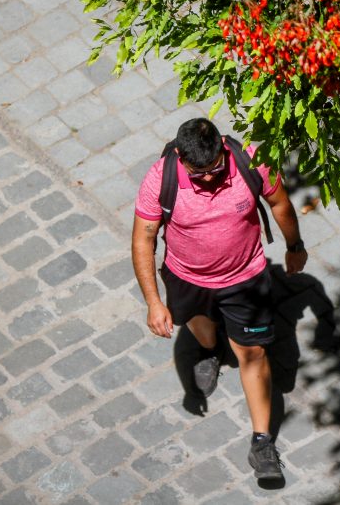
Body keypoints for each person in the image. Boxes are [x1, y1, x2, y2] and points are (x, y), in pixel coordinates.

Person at [131, 118, 308, 481]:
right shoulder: (159, 178)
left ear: (223, 149)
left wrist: (295, 246)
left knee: (253, 353)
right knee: (204, 332)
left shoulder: (250, 160)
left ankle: (261, 442)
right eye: (200, 174)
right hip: (185, 278)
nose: (210, 179)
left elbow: (280, 204)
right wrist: (153, 301)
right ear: (181, 157)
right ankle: (210, 350)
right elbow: (143, 240)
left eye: (215, 169)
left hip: (245, 279)